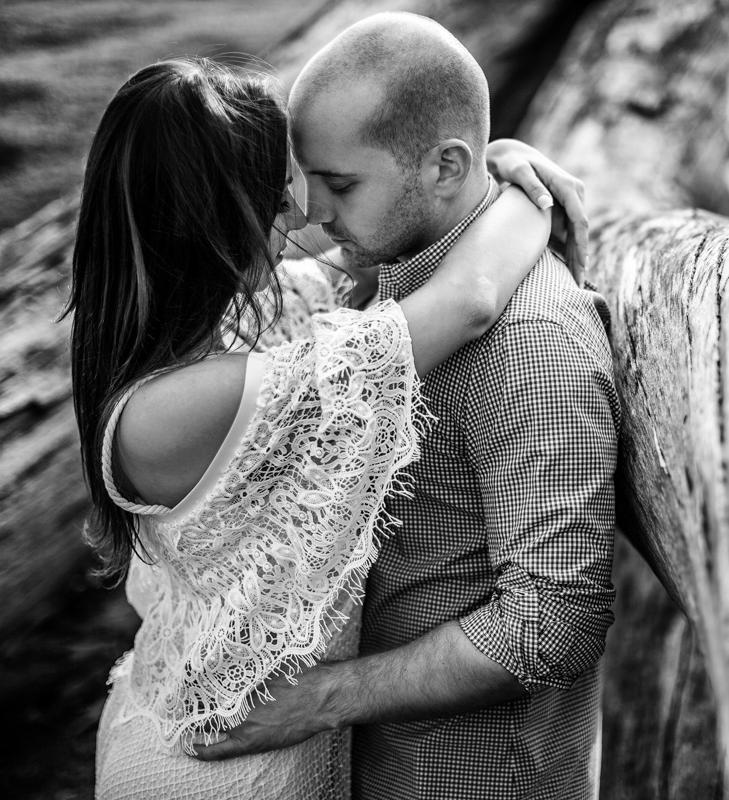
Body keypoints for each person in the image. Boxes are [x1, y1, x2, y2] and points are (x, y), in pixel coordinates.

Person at [68, 57, 588, 799]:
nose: (300, 210)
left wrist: (486, 164)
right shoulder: (180, 410)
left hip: (198, 719)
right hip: (227, 772)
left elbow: (365, 251)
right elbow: (469, 297)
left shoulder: (207, 329)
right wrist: (524, 198)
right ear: (219, 215)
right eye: (276, 188)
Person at [194, 14, 621, 800]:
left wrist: (324, 697)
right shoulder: (393, 276)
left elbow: (553, 622)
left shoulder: (531, 348)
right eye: (309, 176)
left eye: (342, 184)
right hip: (375, 764)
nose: (313, 212)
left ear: (444, 168)